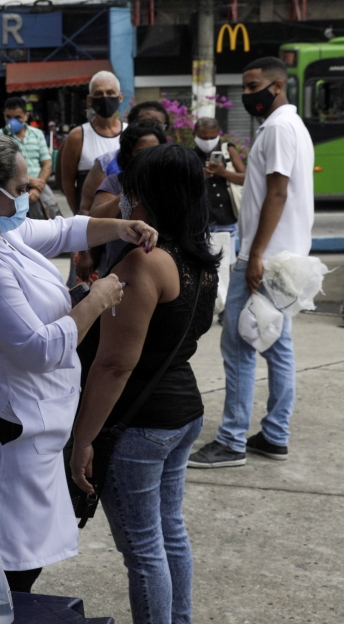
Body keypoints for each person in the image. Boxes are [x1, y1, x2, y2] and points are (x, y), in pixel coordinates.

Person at [0, 130, 156, 593]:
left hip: (19, 422)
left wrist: (119, 227)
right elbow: (38, 348)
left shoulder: (0, 232)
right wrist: (95, 299)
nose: (29, 196)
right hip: (4, 433)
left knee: (0, 562)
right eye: (22, 189)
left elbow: (65, 230)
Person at [70, 144, 219, 624]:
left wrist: (83, 439)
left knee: (144, 550)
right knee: (169, 531)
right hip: (183, 414)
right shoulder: (201, 254)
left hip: (140, 425)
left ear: (149, 194)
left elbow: (114, 365)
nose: (125, 198)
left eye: (131, 190)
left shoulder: (143, 264)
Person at [189, 57, 315, 468]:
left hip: (267, 257)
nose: (246, 94)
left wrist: (255, 254)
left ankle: (231, 441)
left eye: (253, 85)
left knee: (238, 344)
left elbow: (277, 194)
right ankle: (275, 434)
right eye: (243, 86)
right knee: (278, 346)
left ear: (276, 86)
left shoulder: (278, 128)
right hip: (287, 256)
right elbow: (266, 184)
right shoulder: (288, 126)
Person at [81, 121, 169, 276]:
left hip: (164, 267)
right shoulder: (116, 182)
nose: (149, 157)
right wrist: (127, 192)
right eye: (141, 152)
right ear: (129, 154)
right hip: (122, 269)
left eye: (154, 150)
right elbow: (94, 222)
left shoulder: (170, 183)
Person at [194, 117, 246, 315]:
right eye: (203, 137)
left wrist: (223, 172)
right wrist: (201, 176)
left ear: (218, 135)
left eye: (211, 137)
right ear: (194, 135)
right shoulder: (189, 154)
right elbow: (182, 184)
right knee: (204, 267)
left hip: (226, 218)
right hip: (202, 221)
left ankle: (227, 310)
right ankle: (206, 306)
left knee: (228, 266)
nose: (207, 140)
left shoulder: (228, 150)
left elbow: (246, 177)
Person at [58, 71, 126, 217]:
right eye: (99, 94)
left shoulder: (130, 133)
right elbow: (68, 183)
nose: (105, 98)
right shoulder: (78, 136)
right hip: (91, 221)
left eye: (110, 92)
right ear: (89, 100)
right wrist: (79, 216)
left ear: (120, 97)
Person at [1, 97, 53, 220]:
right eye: (8, 117)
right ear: (4, 116)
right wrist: (28, 180)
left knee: (50, 217)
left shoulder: (37, 134)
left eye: (18, 117)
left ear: (26, 116)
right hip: (11, 188)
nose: (12, 121)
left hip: (39, 186)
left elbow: (46, 164)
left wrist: (37, 188)